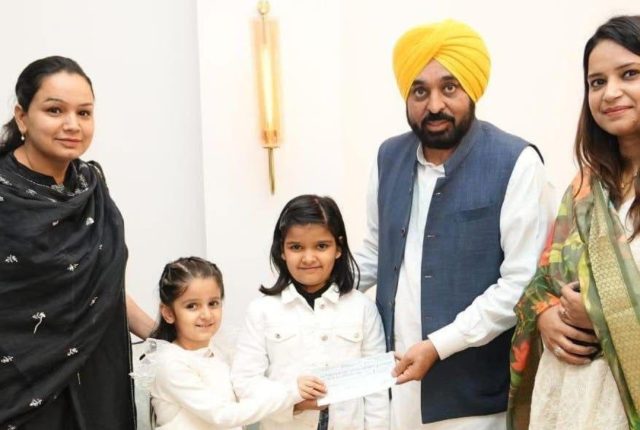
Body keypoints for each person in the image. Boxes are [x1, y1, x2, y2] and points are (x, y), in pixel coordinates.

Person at [355, 19, 553, 429]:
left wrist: (439, 345)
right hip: (391, 388)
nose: (434, 105)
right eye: (420, 91)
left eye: (449, 88)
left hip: (474, 401)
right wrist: (307, 290)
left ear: (471, 90)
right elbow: (375, 253)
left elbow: (521, 282)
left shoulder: (516, 162)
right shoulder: (387, 157)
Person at [0, 56, 154, 429]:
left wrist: (159, 335)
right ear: (22, 116)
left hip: (97, 376)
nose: (72, 125)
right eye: (55, 110)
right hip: (19, 384)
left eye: (84, 113)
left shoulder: (91, 185)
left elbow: (101, 285)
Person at [509, 15, 640, 430]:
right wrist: (545, 313)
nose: (610, 92)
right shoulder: (585, 188)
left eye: (630, 74)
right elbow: (543, 281)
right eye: (596, 82)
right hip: (570, 400)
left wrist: (601, 314)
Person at [231, 195, 389, 430]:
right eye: (296, 247)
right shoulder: (261, 310)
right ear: (282, 250)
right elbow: (245, 382)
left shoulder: (362, 308)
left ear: (338, 248)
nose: (308, 258)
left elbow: (377, 390)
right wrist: (292, 396)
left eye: (321, 246)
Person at [132, 256, 325, 430]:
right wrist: (290, 393)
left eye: (213, 303)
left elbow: (249, 398)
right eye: (192, 306)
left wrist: (295, 400)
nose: (206, 314)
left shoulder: (221, 351)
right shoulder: (170, 363)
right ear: (168, 313)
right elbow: (223, 415)